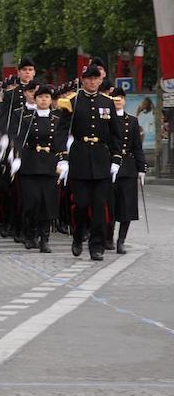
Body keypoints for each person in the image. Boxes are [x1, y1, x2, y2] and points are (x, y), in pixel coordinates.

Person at [55, 64, 122, 261]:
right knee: (82, 204)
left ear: (101, 80)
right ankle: (77, 236)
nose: (92, 82)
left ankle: (97, 246)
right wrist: (63, 158)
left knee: (100, 206)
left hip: (101, 158)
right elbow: (61, 131)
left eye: (95, 78)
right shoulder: (72, 102)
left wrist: (116, 159)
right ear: (83, 80)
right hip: (80, 158)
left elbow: (115, 134)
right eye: (88, 78)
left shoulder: (108, 102)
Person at [13, 84, 62, 253]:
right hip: (31, 164)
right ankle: (30, 234)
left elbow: (60, 142)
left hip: (49, 165)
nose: (43, 100)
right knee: (31, 202)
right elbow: (19, 139)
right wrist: (16, 157)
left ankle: (44, 238)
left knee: (47, 203)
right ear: (35, 99)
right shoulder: (27, 118)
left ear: (51, 100)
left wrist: (63, 161)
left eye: (47, 97)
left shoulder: (57, 119)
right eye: (40, 97)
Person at [108, 88, 146, 254]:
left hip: (128, 167)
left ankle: (121, 241)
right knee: (110, 205)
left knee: (127, 207)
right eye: (114, 99)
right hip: (109, 167)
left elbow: (137, 146)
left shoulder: (132, 121)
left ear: (124, 100)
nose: (117, 101)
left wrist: (141, 168)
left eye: (120, 99)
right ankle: (108, 237)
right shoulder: (106, 119)